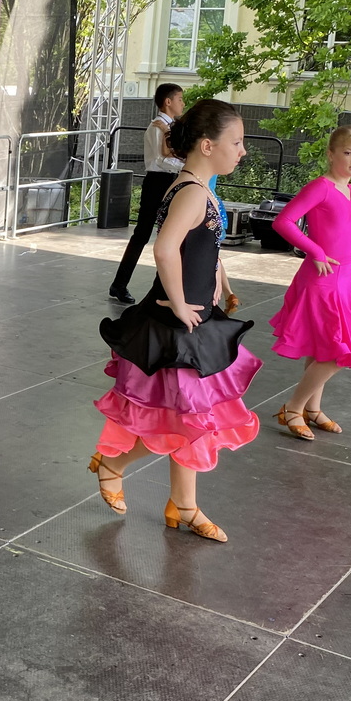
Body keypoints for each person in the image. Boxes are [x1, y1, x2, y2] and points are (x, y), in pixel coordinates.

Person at [89, 99, 262, 543]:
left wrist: (222, 283)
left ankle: (183, 505)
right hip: (176, 325)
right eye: (236, 142)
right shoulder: (191, 192)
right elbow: (165, 249)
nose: (242, 151)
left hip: (194, 322)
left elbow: (204, 247)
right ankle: (115, 465)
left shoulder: (196, 187)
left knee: (192, 418)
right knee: (184, 420)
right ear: (207, 145)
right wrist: (183, 304)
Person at [269, 124, 351, 439]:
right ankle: (293, 408)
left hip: (346, 280)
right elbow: (283, 221)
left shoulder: (349, 190)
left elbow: (347, 224)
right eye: (348, 152)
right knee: (339, 352)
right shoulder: (320, 187)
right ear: (331, 154)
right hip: (323, 281)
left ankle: (312, 409)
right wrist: (316, 251)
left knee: (323, 348)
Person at [109, 83, 184, 305]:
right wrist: (185, 165)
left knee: (170, 235)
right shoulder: (157, 127)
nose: (183, 103)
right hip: (157, 181)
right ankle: (119, 284)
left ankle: (163, 289)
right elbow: (158, 160)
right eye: (179, 99)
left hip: (171, 181)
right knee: (142, 234)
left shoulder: (173, 126)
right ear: (168, 101)